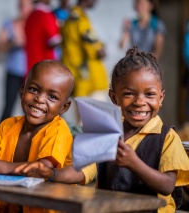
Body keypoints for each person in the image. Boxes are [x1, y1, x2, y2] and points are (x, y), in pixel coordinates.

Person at [16, 47, 189, 213]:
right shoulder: (107, 134)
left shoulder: (167, 137)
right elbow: (81, 172)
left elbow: (167, 186)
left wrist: (133, 163)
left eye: (149, 94)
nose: (139, 101)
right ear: (114, 97)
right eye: (129, 93)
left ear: (161, 98)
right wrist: (52, 173)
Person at [0, 60, 96, 213]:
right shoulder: (8, 125)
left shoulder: (58, 130)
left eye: (52, 97)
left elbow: (41, 171)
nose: (40, 99)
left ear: (64, 107)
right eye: (34, 89)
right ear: (22, 90)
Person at [61, 0, 108, 100]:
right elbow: (93, 46)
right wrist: (100, 49)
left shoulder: (71, 16)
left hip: (77, 76)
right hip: (88, 78)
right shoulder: (79, 18)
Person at [0, 0, 33, 123]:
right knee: (8, 106)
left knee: (32, 108)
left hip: (32, 72)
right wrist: (13, 43)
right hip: (14, 70)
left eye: (25, 5)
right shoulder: (10, 24)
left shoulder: (38, 23)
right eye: (20, 5)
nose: (22, 8)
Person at [25, 0, 61, 77]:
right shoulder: (46, 16)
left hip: (31, 69)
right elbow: (54, 40)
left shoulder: (31, 16)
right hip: (46, 69)